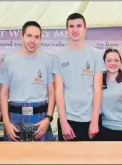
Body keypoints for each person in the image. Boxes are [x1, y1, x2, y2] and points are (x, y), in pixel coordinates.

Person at [0, 21, 55, 141]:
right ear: (22, 36)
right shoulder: (9, 61)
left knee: (42, 158)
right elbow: (3, 94)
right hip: (14, 118)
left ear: (40, 39)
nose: (32, 40)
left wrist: (48, 119)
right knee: (14, 158)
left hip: (40, 118)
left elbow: (52, 92)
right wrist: (6, 122)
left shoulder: (48, 60)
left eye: (36, 37)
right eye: (29, 36)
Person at [52, 13, 105, 141]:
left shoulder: (96, 55)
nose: (75, 30)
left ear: (85, 29)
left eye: (79, 26)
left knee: (93, 160)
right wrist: (63, 123)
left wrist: (94, 121)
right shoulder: (58, 56)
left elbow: (98, 90)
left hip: (91, 120)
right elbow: (58, 90)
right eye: (71, 26)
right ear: (67, 30)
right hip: (68, 120)